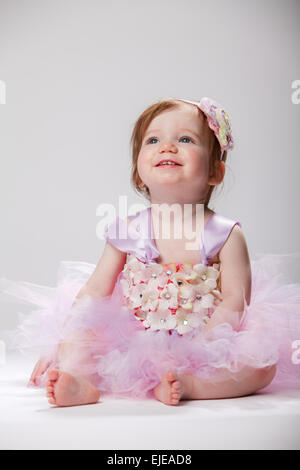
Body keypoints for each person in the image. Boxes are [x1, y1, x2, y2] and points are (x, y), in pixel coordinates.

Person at [1, 96, 300, 407]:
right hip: (134, 340)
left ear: (215, 172)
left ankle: (193, 385)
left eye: (185, 139)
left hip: (206, 338)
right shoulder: (127, 229)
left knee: (262, 366)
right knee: (80, 331)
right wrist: (61, 341)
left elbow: (236, 301)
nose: (167, 147)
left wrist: (203, 346)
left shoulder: (226, 234)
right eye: (153, 140)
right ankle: (79, 381)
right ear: (138, 173)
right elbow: (94, 290)